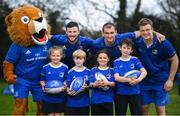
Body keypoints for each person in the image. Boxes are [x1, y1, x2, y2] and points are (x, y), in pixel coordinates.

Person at [134, 18, 179, 115]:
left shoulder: (163, 42)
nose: (145, 33)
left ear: (152, 29)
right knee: (144, 108)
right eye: (142, 30)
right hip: (144, 81)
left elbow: (175, 60)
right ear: (139, 31)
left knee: (160, 109)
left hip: (160, 81)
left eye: (148, 30)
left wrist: (170, 80)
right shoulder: (137, 42)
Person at [91, 22, 164, 66]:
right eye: (107, 33)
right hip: (105, 68)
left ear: (116, 32)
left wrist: (157, 34)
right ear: (102, 33)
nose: (110, 36)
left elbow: (140, 31)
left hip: (121, 67)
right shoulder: (96, 44)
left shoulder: (122, 38)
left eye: (112, 33)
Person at [114, 39, 147, 115]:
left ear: (131, 50)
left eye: (128, 48)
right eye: (124, 47)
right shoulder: (116, 61)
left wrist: (138, 80)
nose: (126, 50)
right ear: (120, 48)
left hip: (134, 92)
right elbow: (116, 77)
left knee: (136, 114)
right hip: (121, 93)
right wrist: (129, 80)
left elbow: (144, 72)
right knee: (120, 114)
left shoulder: (135, 59)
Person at [40, 46, 68, 115]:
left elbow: (66, 80)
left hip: (60, 96)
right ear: (50, 56)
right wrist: (43, 85)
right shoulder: (45, 67)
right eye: (53, 56)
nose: (55, 57)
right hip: (48, 96)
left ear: (61, 56)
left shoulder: (65, 67)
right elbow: (42, 80)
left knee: (58, 114)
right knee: (50, 114)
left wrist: (65, 85)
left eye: (58, 56)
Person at [89, 49, 115, 115]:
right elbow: (90, 84)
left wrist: (107, 83)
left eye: (104, 58)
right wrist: (95, 84)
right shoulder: (93, 70)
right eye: (100, 58)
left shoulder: (112, 70)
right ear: (97, 59)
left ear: (108, 59)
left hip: (107, 100)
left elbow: (115, 83)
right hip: (95, 100)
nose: (102, 59)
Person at [65, 49, 90, 115]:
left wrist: (86, 87)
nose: (78, 60)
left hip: (84, 103)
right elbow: (67, 86)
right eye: (76, 58)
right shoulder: (70, 72)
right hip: (72, 103)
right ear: (73, 59)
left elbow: (91, 85)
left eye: (80, 59)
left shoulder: (88, 71)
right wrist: (69, 91)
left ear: (84, 59)